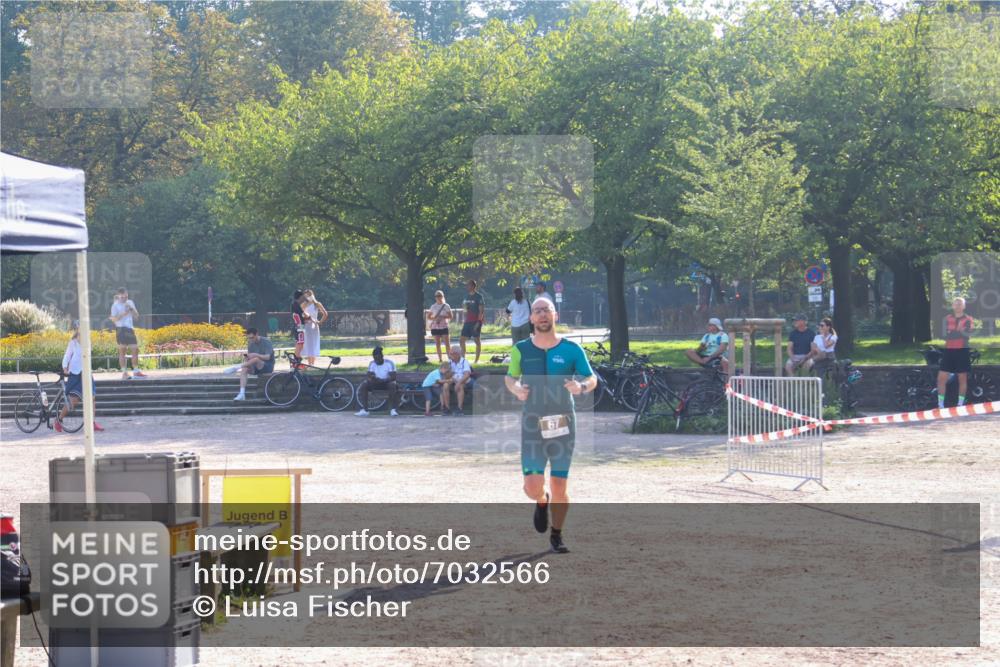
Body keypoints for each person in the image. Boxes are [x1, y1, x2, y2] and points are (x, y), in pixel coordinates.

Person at [505, 297, 596, 554]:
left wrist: (581, 386)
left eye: (547, 310)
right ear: (531, 318)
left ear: (555, 315)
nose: (542, 314)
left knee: (559, 484)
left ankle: (557, 534)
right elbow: (510, 378)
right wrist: (517, 390)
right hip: (532, 422)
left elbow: (591, 378)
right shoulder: (521, 349)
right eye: (537, 311)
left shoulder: (571, 350)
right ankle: (541, 501)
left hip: (563, 421)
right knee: (532, 487)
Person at [56, 321, 104, 433]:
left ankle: (92, 423)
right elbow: (67, 355)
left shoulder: (88, 341)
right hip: (75, 373)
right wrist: (65, 367)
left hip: (86, 372)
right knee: (73, 401)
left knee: (92, 398)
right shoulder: (73, 342)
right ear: (77, 329)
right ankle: (59, 420)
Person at [938, 297, 974, 408]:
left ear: (964, 306)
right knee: (941, 378)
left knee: (962, 378)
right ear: (952, 306)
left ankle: (960, 404)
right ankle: (940, 405)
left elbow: (966, 335)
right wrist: (956, 332)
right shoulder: (946, 319)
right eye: (955, 304)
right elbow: (942, 335)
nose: (957, 306)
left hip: (962, 351)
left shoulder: (968, 319)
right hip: (949, 351)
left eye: (960, 304)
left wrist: (952, 333)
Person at [110, 288, 146, 380]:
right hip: (121, 329)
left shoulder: (130, 302)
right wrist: (124, 313)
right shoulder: (115, 305)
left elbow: (137, 316)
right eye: (122, 297)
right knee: (122, 351)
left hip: (130, 329)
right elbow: (114, 319)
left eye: (126, 296)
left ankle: (136, 371)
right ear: (119, 296)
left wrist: (131, 309)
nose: (125, 298)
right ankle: (124, 373)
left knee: (135, 349)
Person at [355, 346, 400, 416]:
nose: (377, 360)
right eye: (375, 358)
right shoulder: (372, 363)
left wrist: (384, 380)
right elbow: (369, 375)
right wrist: (373, 378)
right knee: (364, 385)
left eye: (378, 358)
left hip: (387, 383)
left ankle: (392, 409)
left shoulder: (389, 363)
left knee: (392, 385)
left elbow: (393, 377)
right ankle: (365, 410)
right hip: (376, 383)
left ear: (382, 356)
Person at [233, 327, 275, 401]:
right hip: (255, 367)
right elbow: (250, 358)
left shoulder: (266, 342)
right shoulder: (251, 344)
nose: (251, 340)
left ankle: (236, 367)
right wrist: (247, 358)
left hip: (267, 366)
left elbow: (267, 357)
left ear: (257, 334)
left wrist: (256, 355)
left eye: (252, 337)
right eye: (249, 338)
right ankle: (242, 394)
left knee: (256, 359)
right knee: (245, 368)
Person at [460, 280, 486, 363]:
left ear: (473, 286)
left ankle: (476, 360)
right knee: (461, 340)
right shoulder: (466, 296)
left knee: (477, 340)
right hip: (467, 321)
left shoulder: (479, 296)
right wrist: (465, 311)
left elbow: (481, 310)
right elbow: (464, 308)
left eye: (468, 285)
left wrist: (478, 322)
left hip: (476, 321)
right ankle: (463, 358)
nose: (467, 287)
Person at [301, 289, 328, 367]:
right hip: (307, 325)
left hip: (312, 326)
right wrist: (319, 322)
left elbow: (325, 314)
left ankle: (311, 364)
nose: (306, 297)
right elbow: (300, 313)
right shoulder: (305, 304)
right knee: (308, 344)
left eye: (307, 295)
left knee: (311, 344)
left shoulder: (316, 304)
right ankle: (310, 363)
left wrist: (319, 322)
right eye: (305, 296)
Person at [447, 345, 475, 416]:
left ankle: (459, 409)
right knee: (445, 386)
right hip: (454, 380)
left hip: (465, 381)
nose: (449, 355)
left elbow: (466, 375)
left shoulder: (464, 362)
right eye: (449, 353)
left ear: (457, 354)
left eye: (451, 354)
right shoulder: (449, 362)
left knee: (460, 386)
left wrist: (458, 383)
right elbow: (446, 375)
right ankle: (446, 408)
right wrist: (449, 374)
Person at [426, 290, 453, 362]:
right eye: (436, 296)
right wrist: (435, 318)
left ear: (442, 296)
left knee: (447, 344)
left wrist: (442, 316)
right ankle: (440, 359)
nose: (438, 297)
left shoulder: (446, 306)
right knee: (438, 344)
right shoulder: (433, 306)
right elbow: (428, 317)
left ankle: (450, 358)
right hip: (435, 327)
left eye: (439, 296)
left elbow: (450, 316)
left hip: (444, 326)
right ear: (435, 297)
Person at [290, 289, 308, 361]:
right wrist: (309, 317)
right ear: (300, 297)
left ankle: (297, 357)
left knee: (299, 342)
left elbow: (301, 315)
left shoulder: (294, 303)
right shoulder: (296, 304)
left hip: (298, 325)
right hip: (299, 326)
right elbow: (304, 314)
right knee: (300, 342)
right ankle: (297, 358)